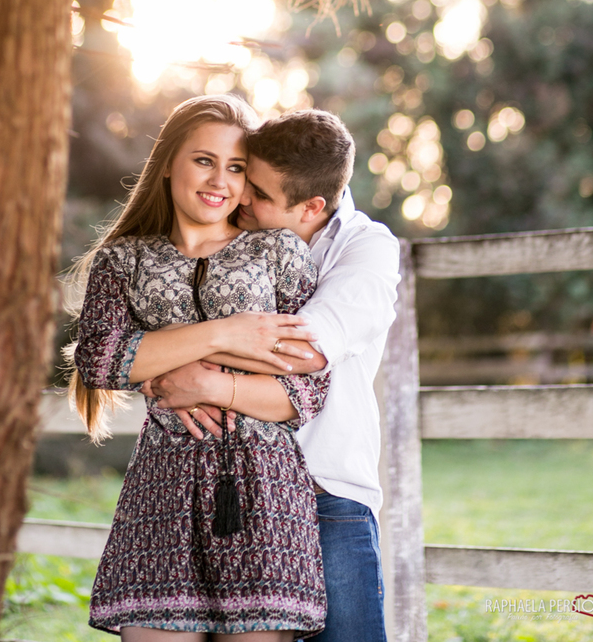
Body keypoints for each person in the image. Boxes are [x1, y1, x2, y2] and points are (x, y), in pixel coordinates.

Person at [69, 95, 331, 641]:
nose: (220, 180)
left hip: (265, 494)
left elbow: (305, 387)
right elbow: (100, 359)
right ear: (168, 162)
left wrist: (207, 381)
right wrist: (226, 333)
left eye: (236, 167)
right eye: (204, 160)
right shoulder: (124, 260)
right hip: (160, 495)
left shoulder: (275, 251)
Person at [148, 110, 401, 642]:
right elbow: (144, 332)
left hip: (324, 495)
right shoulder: (223, 237)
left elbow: (307, 349)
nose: (240, 198)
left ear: (311, 206)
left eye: (258, 192)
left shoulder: (365, 248)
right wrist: (175, 356)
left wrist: (204, 369)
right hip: (228, 486)